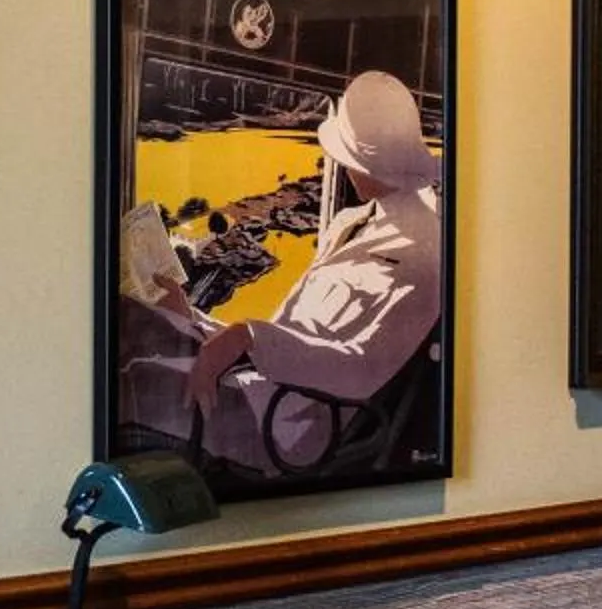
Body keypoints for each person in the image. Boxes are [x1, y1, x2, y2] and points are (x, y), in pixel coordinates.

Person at [119, 69, 441, 475]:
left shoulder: (426, 255)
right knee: (128, 315)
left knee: (135, 380)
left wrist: (246, 336)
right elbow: (288, 330)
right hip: (264, 382)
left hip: (290, 420)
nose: (343, 166)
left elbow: (359, 369)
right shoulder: (351, 222)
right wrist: (192, 318)